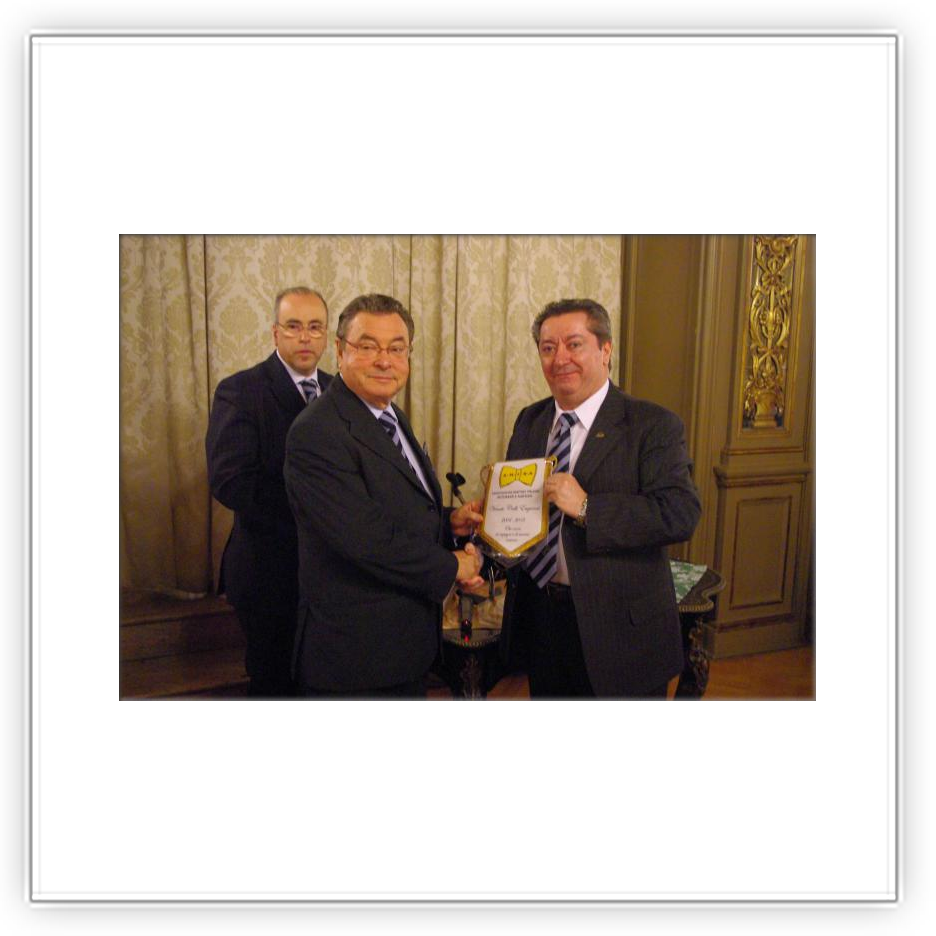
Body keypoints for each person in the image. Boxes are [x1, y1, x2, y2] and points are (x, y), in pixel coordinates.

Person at [284, 293, 483, 699]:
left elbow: (393, 505)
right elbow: (365, 539)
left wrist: (448, 522)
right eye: (368, 346)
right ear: (340, 351)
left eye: (396, 348)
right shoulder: (317, 432)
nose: (384, 360)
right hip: (355, 660)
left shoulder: (389, 414)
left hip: (402, 648)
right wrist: (452, 565)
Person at [499, 298, 701, 699]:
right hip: (543, 623)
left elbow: (680, 513)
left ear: (605, 350)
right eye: (548, 347)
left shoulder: (652, 424)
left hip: (622, 634)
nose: (560, 359)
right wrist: (490, 533)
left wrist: (588, 508)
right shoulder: (530, 420)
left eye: (574, 344)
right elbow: (519, 511)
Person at [206, 286, 333, 698]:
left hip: (330, 574)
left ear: (328, 337)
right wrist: (316, 512)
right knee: (275, 687)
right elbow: (230, 480)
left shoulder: (341, 392)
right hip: (269, 572)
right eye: (294, 326)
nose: (305, 337)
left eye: (315, 327)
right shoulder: (241, 390)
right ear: (275, 332)